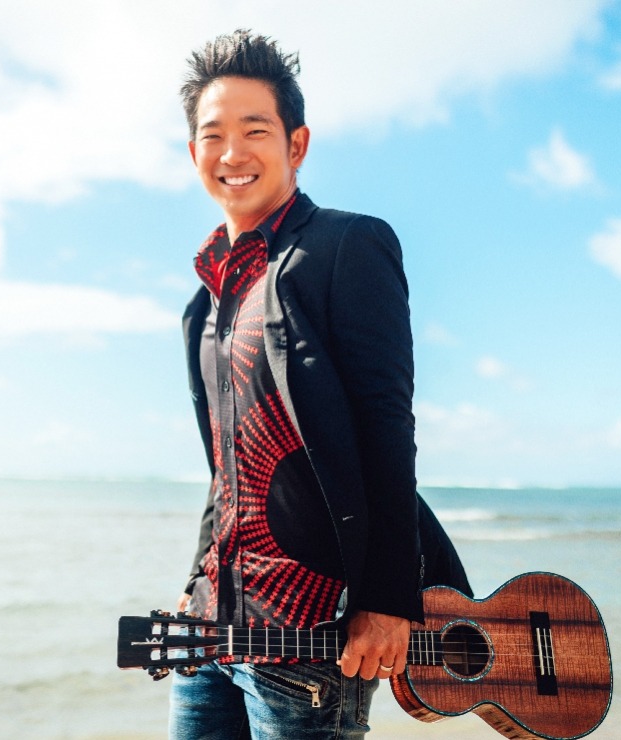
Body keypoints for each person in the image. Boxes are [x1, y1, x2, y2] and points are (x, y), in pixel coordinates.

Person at [167, 29, 472, 739]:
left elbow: (386, 428)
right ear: (193, 155)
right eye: (213, 135)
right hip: (213, 633)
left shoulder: (345, 248)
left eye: (255, 130)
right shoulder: (204, 303)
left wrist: (388, 600)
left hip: (310, 640)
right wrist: (194, 585)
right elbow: (228, 470)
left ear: (296, 145)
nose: (233, 153)